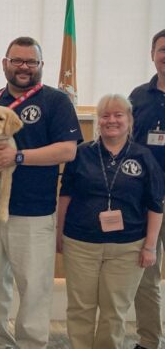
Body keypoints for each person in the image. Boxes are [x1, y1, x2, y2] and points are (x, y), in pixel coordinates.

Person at [0, 36, 82, 349]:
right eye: (17, 61)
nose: (24, 67)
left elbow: (68, 150)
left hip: (35, 215)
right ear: (5, 64)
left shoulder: (56, 101)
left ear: (40, 66)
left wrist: (18, 157)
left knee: (34, 288)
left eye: (31, 62)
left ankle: (31, 344)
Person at [57, 94, 164, 348]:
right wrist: (58, 233)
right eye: (105, 115)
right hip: (81, 244)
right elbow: (65, 196)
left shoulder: (143, 156)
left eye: (118, 115)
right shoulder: (82, 153)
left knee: (113, 312)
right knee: (80, 308)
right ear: (98, 121)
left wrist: (150, 246)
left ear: (129, 120)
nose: (111, 120)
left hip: (127, 248)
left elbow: (155, 205)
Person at [130, 28, 165, 349]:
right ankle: (150, 340)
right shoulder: (138, 97)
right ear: (153, 55)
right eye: (162, 49)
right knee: (148, 274)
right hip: (147, 199)